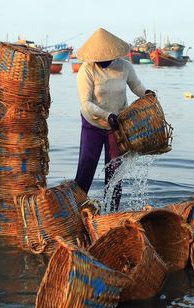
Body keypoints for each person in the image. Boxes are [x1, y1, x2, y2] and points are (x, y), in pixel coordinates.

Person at [74, 28, 155, 211]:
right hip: (92, 123)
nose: (102, 60)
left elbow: (136, 86)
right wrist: (106, 115)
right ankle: (77, 208)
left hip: (118, 124)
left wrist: (147, 93)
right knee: (86, 165)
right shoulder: (86, 70)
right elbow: (86, 103)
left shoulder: (124, 66)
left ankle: (112, 211)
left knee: (115, 171)